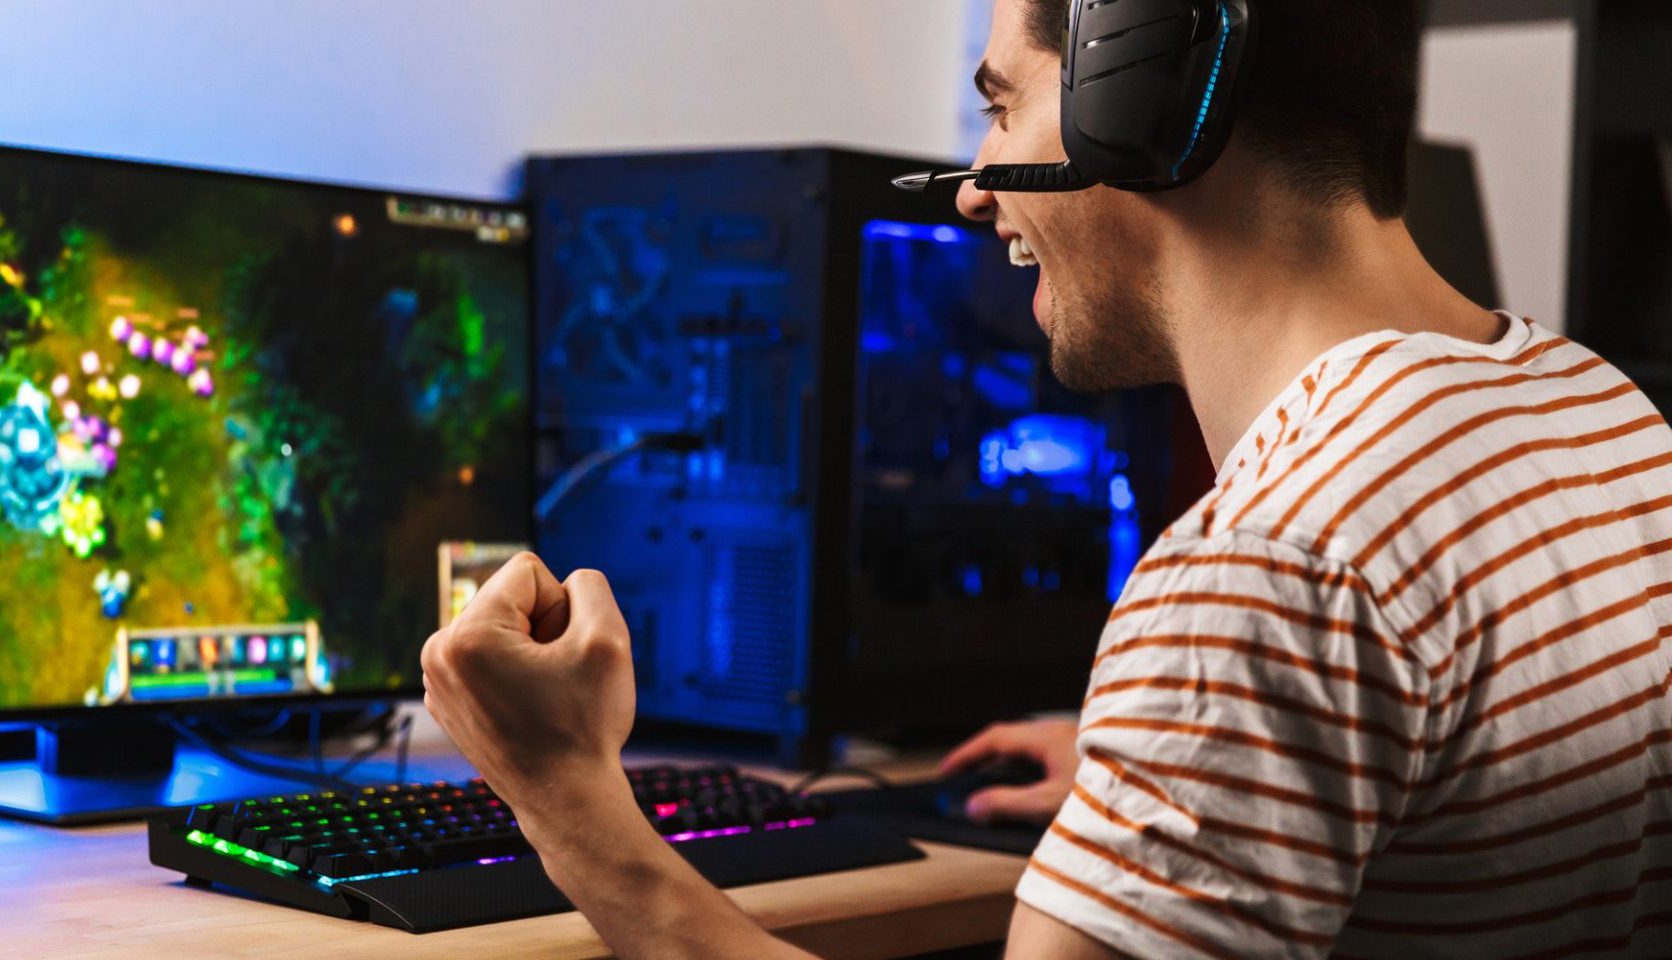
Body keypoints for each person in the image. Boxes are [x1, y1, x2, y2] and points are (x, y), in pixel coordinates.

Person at [420, 0, 1672, 955]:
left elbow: (1284, 616)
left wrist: (570, 801)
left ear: (1147, 88)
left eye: (1001, 107)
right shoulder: (1599, 414)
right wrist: (1177, 769)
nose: (972, 189)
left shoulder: (1269, 567)